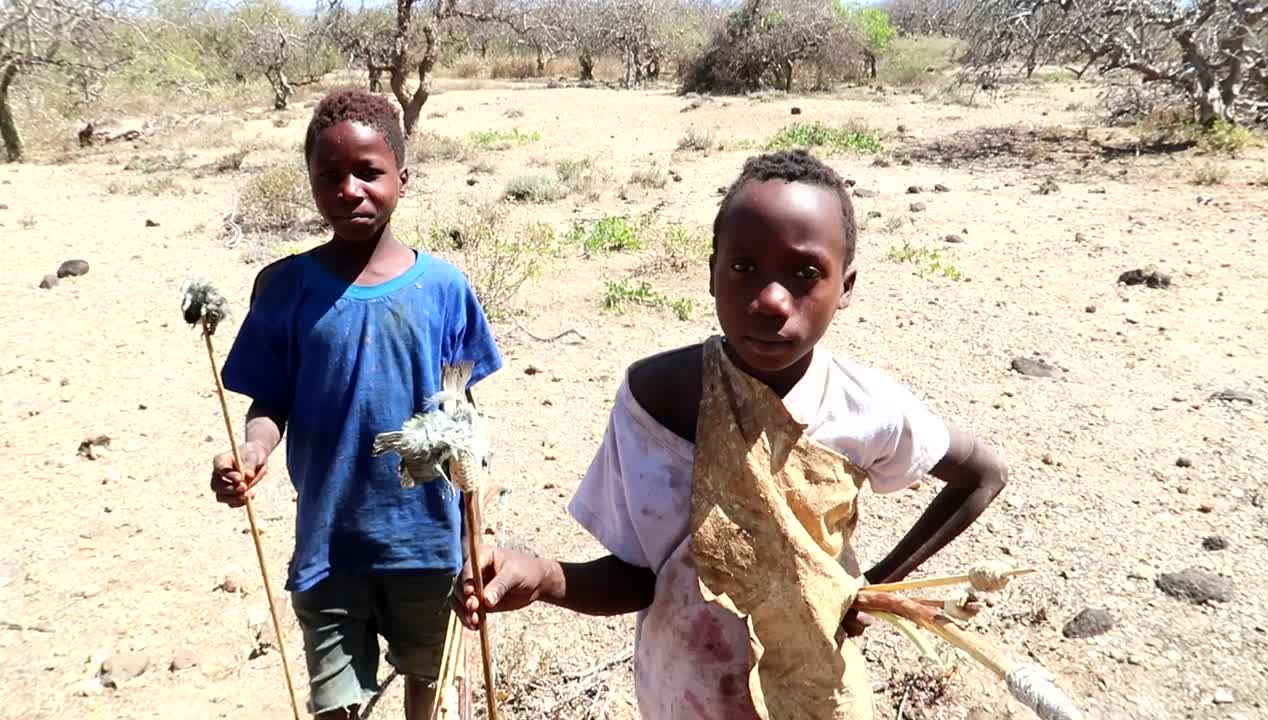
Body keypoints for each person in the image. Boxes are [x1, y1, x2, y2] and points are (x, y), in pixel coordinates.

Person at [454, 150, 1008, 718]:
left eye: (805, 273)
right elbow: (640, 578)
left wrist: (876, 586)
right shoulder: (656, 399)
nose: (770, 300)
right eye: (744, 267)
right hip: (683, 695)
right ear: (711, 272)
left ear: (846, 286)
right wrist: (544, 577)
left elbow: (983, 474)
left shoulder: (864, 407)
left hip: (815, 695)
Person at [209, 88, 503, 720]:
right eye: (329, 176)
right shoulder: (283, 287)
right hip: (329, 544)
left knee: (431, 682)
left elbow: (464, 418)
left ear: (403, 177)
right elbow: (270, 400)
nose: (349, 190)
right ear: (311, 182)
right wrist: (253, 449)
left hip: (427, 542)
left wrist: (476, 533)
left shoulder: (444, 288)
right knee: (335, 704)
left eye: (368, 172)